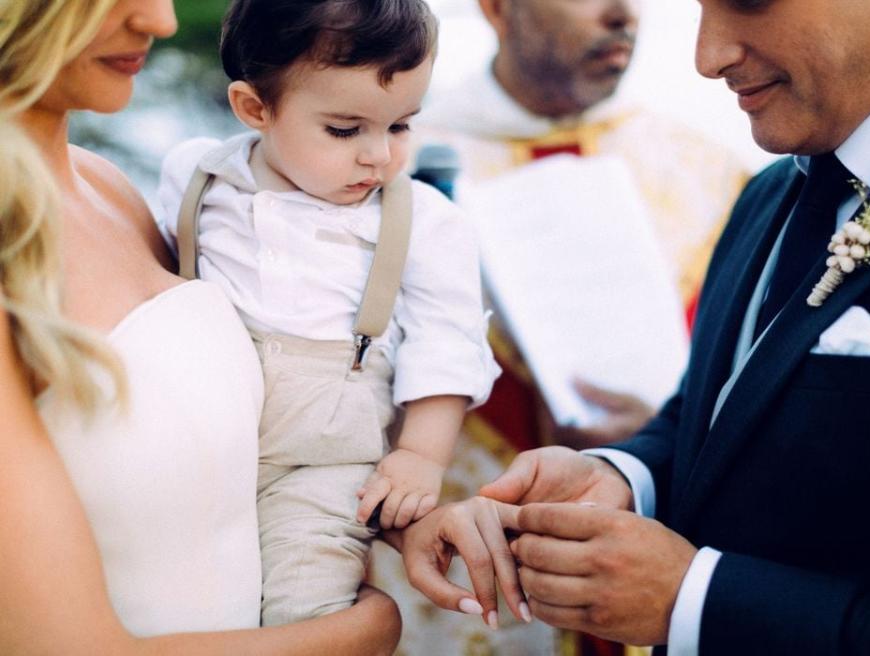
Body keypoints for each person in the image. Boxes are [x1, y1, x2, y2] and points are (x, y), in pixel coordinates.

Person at [401, 0, 870, 654]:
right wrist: (624, 476)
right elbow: (720, 415)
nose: (707, 57)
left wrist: (692, 600)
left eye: (747, 2)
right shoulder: (773, 191)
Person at [0, 0, 400, 653]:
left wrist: (400, 504)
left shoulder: (108, 188)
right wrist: (368, 628)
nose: (158, 20)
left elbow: (230, 447)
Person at [371, 1, 746, 653]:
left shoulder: (710, 171)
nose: (622, 14)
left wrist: (655, 443)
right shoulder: (380, 164)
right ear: (496, 9)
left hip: (654, 572)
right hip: (465, 589)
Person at [156, 0, 499, 628]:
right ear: (254, 109)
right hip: (195, 443)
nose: (380, 156)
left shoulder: (423, 221)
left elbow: (446, 342)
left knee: (302, 600)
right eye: (346, 130)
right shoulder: (196, 179)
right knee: (174, 597)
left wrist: (420, 455)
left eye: (400, 126)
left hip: (323, 467)